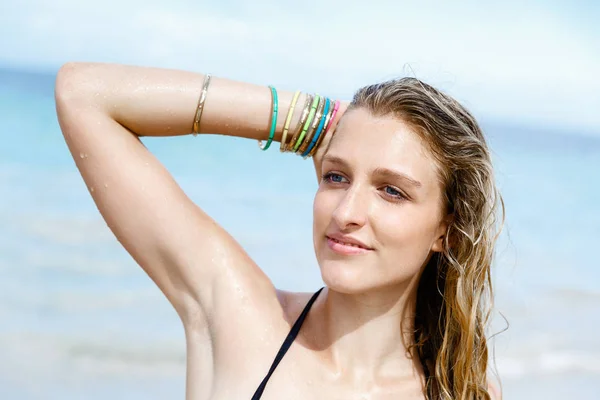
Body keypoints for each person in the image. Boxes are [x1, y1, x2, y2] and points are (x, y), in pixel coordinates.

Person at [54, 62, 504, 400]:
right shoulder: (239, 318)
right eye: (336, 177)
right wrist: (309, 121)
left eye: (390, 191)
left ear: (447, 231)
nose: (347, 211)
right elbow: (83, 95)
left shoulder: (461, 391)